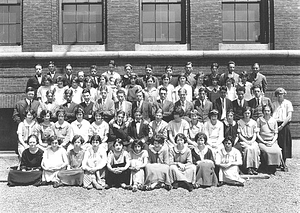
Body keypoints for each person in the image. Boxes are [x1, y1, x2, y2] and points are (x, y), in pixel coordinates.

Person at [257, 105, 283, 174]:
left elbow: (276, 134)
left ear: (271, 112)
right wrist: (263, 142)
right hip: (262, 141)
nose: (266, 112)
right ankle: (266, 167)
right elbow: (257, 134)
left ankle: (273, 167)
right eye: (265, 111)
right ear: (263, 111)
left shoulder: (274, 121)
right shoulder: (259, 120)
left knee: (277, 151)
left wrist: (272, 142)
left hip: (272, 141)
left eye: (268, 111)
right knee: (267, 151)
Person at [272, 87, 293, 171]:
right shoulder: (274, 104)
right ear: (276, 95)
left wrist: (282, 126)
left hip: (284, 125)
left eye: (281, 94)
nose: (280, 95)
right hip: (275, 124)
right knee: (276, 143)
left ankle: (284, 163)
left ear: (284, 94)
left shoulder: (288, 103)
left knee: (284, 144)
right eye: (278, 94)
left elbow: (289, 116)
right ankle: (276, 163)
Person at [236, 107, 260, 175]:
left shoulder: (253, 122)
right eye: (245, 113)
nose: (247, 115)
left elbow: (255, 134)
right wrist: (246, 141)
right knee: (248, 149)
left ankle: (254, 167)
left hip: (252, 140)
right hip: (243, 140)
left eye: (248, 113)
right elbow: (239, 135)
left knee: (254, 148)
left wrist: (252, 141)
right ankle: (248, 168)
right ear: (243, 114)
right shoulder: (240, 122)